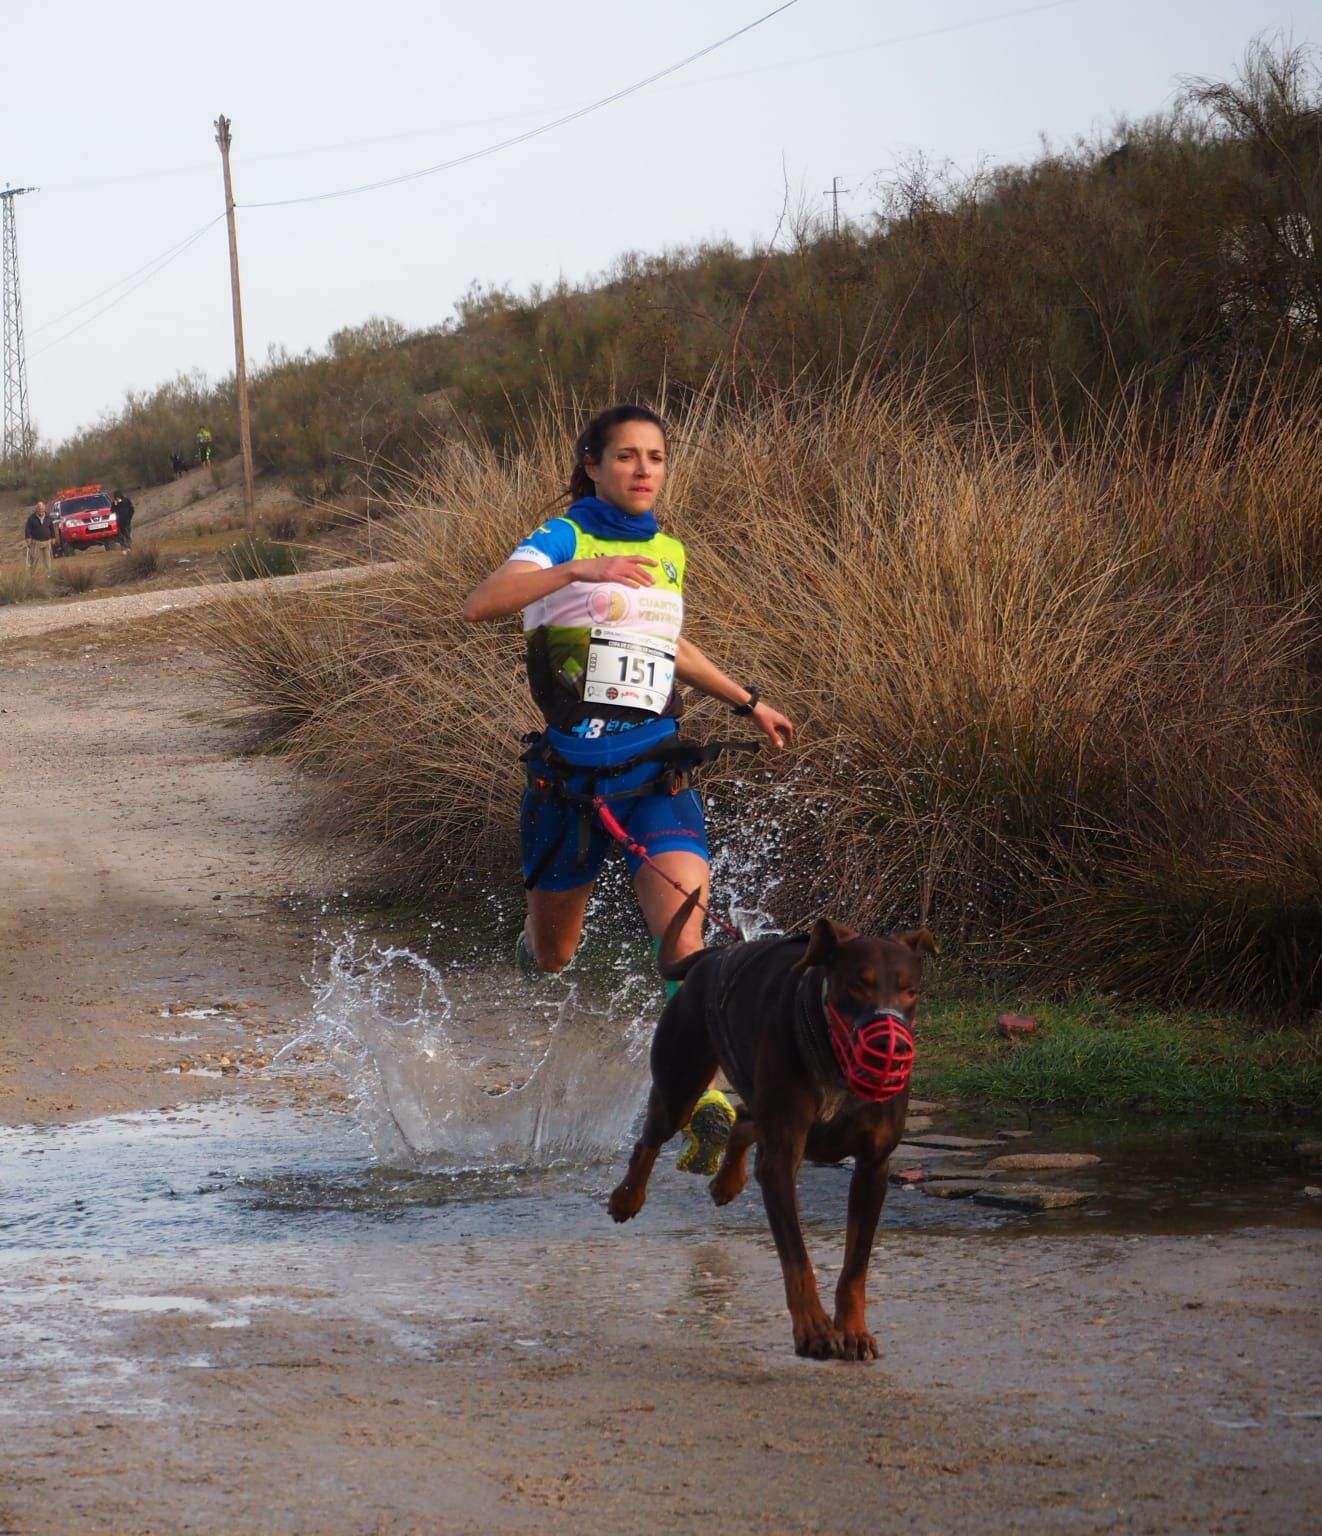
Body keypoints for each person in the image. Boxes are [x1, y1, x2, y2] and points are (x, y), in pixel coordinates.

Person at [462, 403, 794, 1172]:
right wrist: (578, 571)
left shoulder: (670, 550)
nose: (643, 470)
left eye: (656, 457)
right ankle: (530, 942)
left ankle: (697, 1099)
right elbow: (480, 604)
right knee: (554, 955)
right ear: (592, 465)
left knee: (688, 945)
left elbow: (662, 641)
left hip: (655, 770)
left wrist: (748, 700)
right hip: (570, 783)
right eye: (626, 457)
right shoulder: (565, 537)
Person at [24, 500, 54, 575]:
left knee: (48, 560)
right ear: (36, 509)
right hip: (36, 542)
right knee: (34, 559)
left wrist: (53, 537)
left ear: (44, 509)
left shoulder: (48, 517)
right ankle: (32, 575)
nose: (40, 510)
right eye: (39, 509)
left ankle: (48, 575)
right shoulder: (31, 518)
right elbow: (28, 529)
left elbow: (51, 528)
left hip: (47, 542)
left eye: (42, 508)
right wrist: (28, 537)